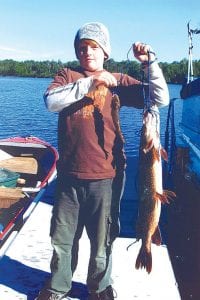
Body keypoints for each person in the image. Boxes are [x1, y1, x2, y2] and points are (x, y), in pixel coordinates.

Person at [35, 22, 169, 300]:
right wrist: (90, 83)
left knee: (102, 240)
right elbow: (50, 101)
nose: (87, 52)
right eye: (82, 47)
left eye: (94, 47)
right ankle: (58, 287)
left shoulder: (118, 80)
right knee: (62, 240)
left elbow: (159, 98)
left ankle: (99, 288)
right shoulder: (68, 75)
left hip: (107, 177)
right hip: (69, 175)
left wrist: (149, 64)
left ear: (105, 51)